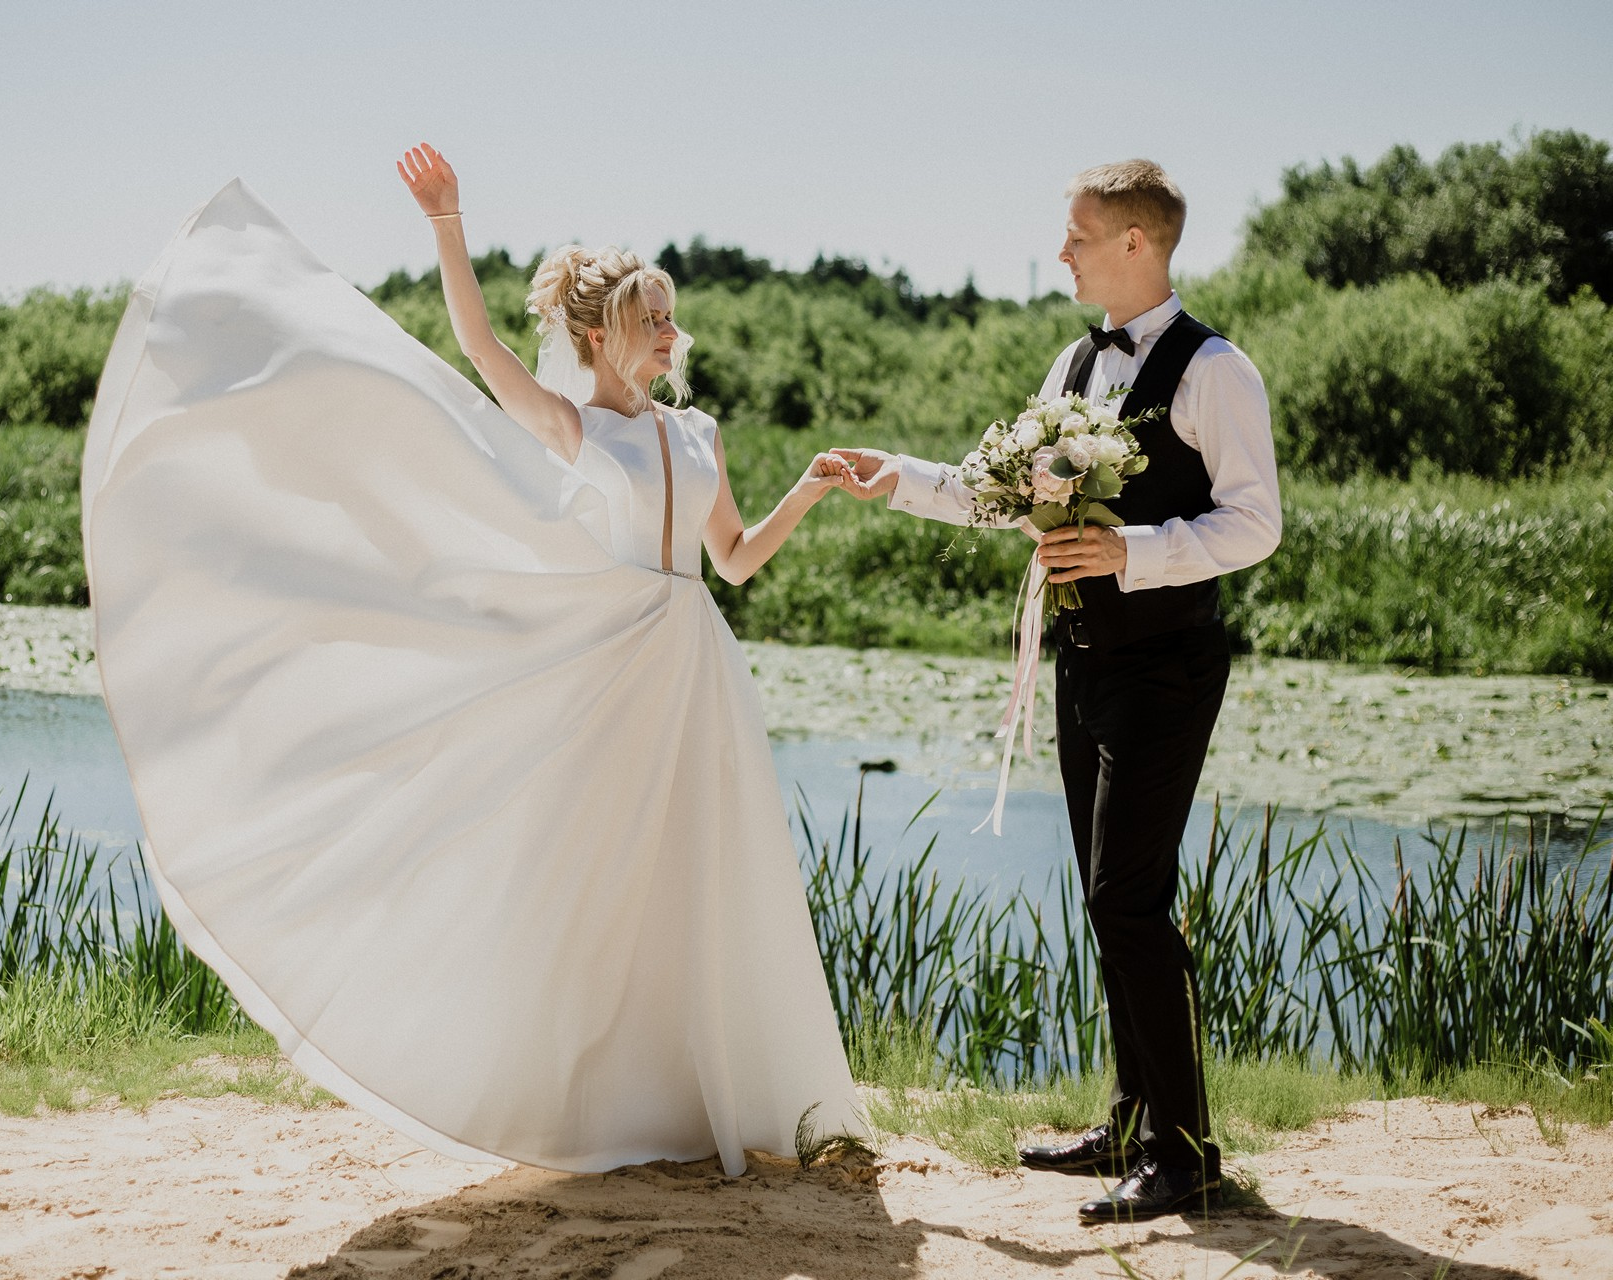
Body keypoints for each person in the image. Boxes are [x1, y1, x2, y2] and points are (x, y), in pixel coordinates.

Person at [79, 144, 860, 1180]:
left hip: (698, 675)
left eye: (672, 316)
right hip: (614, 679)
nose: (672, 333)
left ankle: (705, 1094)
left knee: (708, 880)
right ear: (597, 334)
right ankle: (603, 1104)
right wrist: (448, 222)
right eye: (652, 318)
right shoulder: (574, 427)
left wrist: (805, 488)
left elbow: (734, 559)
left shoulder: (702, 432)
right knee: (610, 888)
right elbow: (482, 349)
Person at [836, 159, 1281, 1222]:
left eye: (1078, 234)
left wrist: (1133, 550)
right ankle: (1132, 1121)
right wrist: (893, 474)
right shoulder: (1073, 361)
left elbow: (1255, 523)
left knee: (1131, 899)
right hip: (1085, 662)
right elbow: (1002, 496)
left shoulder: (1217, 369)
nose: (1063, 250)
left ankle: (1185, 1155)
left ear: (1137, 241)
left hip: (1167, 664)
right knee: (1105, 898)